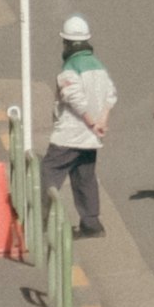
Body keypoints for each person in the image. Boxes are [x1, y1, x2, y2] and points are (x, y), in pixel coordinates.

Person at [45, 14, 115, 237]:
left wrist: (91, 121)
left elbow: (73, 97)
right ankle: (91, 224)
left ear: (66, 42)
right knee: (84, 176)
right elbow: (111, 95)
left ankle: (38, 220)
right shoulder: (99, 67)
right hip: (90, 138)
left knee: (47, 174)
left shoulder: (71, 67)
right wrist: (102, 120)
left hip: (69, 135)